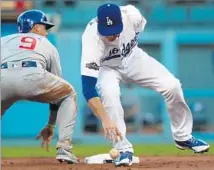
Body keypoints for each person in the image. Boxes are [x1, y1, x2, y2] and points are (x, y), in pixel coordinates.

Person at [81, 3, 210, 166]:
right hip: (107, 68)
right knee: (109, 93)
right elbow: (87, 88)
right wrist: (105, 119)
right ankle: (123, 149)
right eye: (107, 33)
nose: (112, 36)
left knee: (172, 85)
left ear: (121, 20)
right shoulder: (91, 39)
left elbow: (136, 32)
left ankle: (182, 137)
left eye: (115, 30)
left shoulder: (132, 16)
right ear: (99, 24)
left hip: (133, 58)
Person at [1, 9, 77, 164]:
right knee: (68, 94)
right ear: (35, 27)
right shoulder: (45, 43)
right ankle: (64, 149)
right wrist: (51, 124)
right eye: (44, 27)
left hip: (3, 76)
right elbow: (57, 97)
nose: (46, 32)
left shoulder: (3, 40)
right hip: (33, 75)